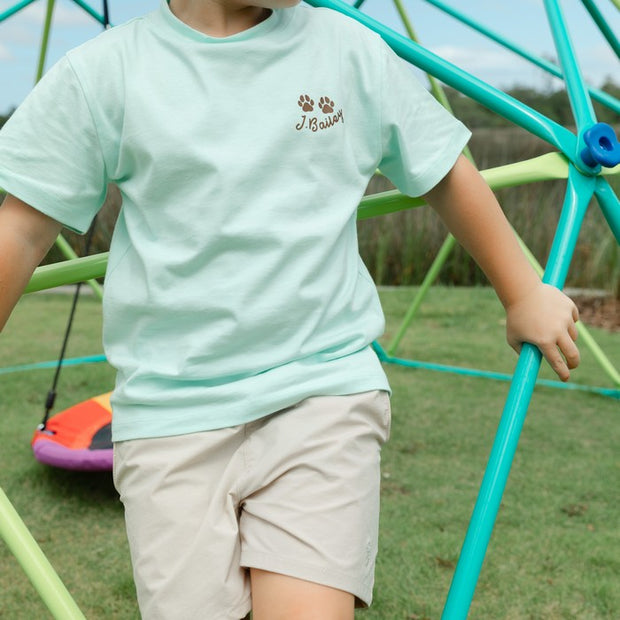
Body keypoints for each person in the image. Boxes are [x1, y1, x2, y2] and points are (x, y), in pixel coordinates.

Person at [0, 1, 580, 618]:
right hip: (171, 414)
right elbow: (22, 230)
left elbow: (444, 171)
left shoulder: (348, 51)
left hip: (322, 393)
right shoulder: (102, 74)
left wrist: (522, 291)